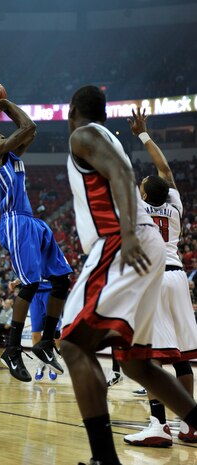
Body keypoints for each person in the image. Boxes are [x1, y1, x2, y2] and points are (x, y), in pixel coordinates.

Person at [59, 85, 197, 465]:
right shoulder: (103, 136)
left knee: (72, 344)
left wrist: (128, 235)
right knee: (137, 363)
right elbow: (151, 171)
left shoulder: (82, 134)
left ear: (73, 109)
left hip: (120, 240)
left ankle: (104, 458)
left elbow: (120, 171)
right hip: (154, 253)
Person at [0, 95, 72, 383]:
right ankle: (12, 349)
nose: (0, 133)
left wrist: (8, 108)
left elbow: (32, 130)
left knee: (62, 280)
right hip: (15, 220)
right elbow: (26, 125)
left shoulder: (12, 157)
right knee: (30, 283)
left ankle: (45, 343)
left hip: (32, 221)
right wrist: (5, 104)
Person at [123, 108, 197, 447]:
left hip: (152, 279)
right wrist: (144, 134)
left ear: (144, 195)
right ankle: (189, 423)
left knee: (147, 356)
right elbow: (164, 169)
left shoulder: (137, 210)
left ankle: (158, 424)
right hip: (179, 277)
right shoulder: (174, 204)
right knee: (180, 354)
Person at [9, 278, 60, 381]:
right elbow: (29, 270)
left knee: (55, 331)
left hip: (51, 291)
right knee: (35, 332)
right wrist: (16, 282)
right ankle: (41, 362)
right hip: (35, 293)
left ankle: (52, 361)